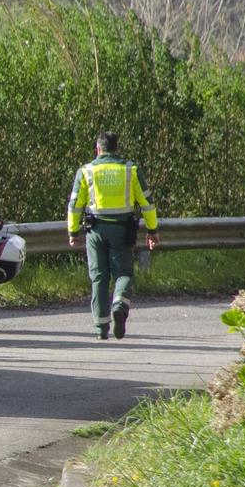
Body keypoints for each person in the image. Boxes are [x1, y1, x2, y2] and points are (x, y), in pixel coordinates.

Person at [66, 132, 158, 340]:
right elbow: (147, 203)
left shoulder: (86, 171)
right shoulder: (130, 170)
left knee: (99, 277)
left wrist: (73, 231)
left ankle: (101, 328)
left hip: (95, 230)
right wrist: (152, 230)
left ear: (98, 149)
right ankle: (119, 303)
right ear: (116, 148)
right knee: (124, 274)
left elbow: (75, 204)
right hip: (122, 230)